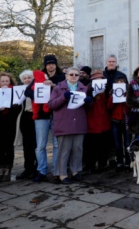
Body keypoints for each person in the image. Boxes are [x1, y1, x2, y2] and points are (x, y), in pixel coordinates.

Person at [48, 67, 91, 184]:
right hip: (64, 123)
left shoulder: (83, 88)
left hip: (79, 123)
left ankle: (76, 171)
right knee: (64, 150)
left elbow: (86, 108)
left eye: (76, 75)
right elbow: (51, 104)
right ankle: (61, 173)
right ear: (66, 76)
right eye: (71, 74)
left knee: (77, 149)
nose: (74, 76)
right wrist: (63, 97)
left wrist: (88, 102)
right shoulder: (58, 88)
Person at [28, 55, 64, 183]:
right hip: (42, 116)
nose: (50, 66)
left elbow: (65, 92)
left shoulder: (62, 77)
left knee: (56, 145)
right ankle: (41, 171)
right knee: (40, 145)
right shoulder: (39, 77)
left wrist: (54, 86)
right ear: (45, 65)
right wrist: (39, 92)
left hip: (57, 114)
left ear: (56, 64)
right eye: (48, 64)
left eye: (53, 63)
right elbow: (28, 92)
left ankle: (56, 171)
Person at [0, 72, 21, 182]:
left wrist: (13, 107)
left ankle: (8, 169)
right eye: (2, 81)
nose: (5, 83)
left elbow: (18, 107)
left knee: (9, 146)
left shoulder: (15, 92)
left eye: (7, 81)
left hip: (10, 122)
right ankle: (1, 168)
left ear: (10, 81)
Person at [85, 70, 112, 173]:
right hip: (92, 122)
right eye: (96, 79)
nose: (98, 80)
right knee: (91, 146)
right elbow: (87, 106)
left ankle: (102, 164)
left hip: (104, 122)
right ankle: (90, 165)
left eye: (100, 79)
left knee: (103, 146)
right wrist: (91, 96)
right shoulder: (87, 90)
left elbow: (109, 106)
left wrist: (111, 96)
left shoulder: (106, 90)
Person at [16, 70, 37, 180]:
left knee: (36, 144)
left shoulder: (37, 88)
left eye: (29, 77)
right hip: (25, 117)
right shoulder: (19, 90)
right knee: (26, 144)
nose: (27, 79)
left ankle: (37, 168)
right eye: (24, 78)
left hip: (35, 117)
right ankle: (28, 168)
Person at [108, 75, 131, 171]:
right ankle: (119, 162)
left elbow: (130, 108)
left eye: (122, 82)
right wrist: (113, 97)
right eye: (118, 82)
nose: (120, 83)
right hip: (115, 121)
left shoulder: (129, 93)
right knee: (117, 143)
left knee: (127, 143)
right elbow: (109, 107)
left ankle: (128, 162)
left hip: (125, 120)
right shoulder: (112, 93)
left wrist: (126, 98)